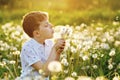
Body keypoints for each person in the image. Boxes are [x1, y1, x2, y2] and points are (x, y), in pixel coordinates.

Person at [20, 11, 65, 80]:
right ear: (37, 33)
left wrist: (57, 52)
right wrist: (54, 49)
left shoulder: (49, 43)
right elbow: (44, 72)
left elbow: (52, 68)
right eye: (46, 25)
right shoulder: (28, 48)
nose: (51, 26)